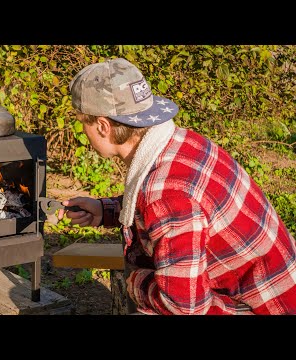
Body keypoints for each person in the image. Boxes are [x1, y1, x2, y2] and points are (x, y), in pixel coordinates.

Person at [57, 57, 296, 315]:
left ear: (103, 126)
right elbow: (165, 209)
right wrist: (107, 210)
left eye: (84, 122)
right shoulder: (180, 143)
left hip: (266, 306)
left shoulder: (167, 196)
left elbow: (183, 307)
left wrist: (137, 283)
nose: (82, 130)